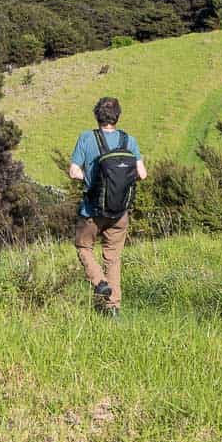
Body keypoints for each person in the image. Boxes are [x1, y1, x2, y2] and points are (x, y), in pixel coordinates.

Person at [67, 96, 147, 317]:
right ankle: (113, 309)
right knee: (113, 258)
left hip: (92, 210)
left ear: (97, 115)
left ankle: (99, 282)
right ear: (117, 116)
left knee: (84, 247)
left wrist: (88, 179)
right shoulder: (129, 140)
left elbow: (74, 171)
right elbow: (142, 174)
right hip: (120, 212)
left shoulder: (87, 138)